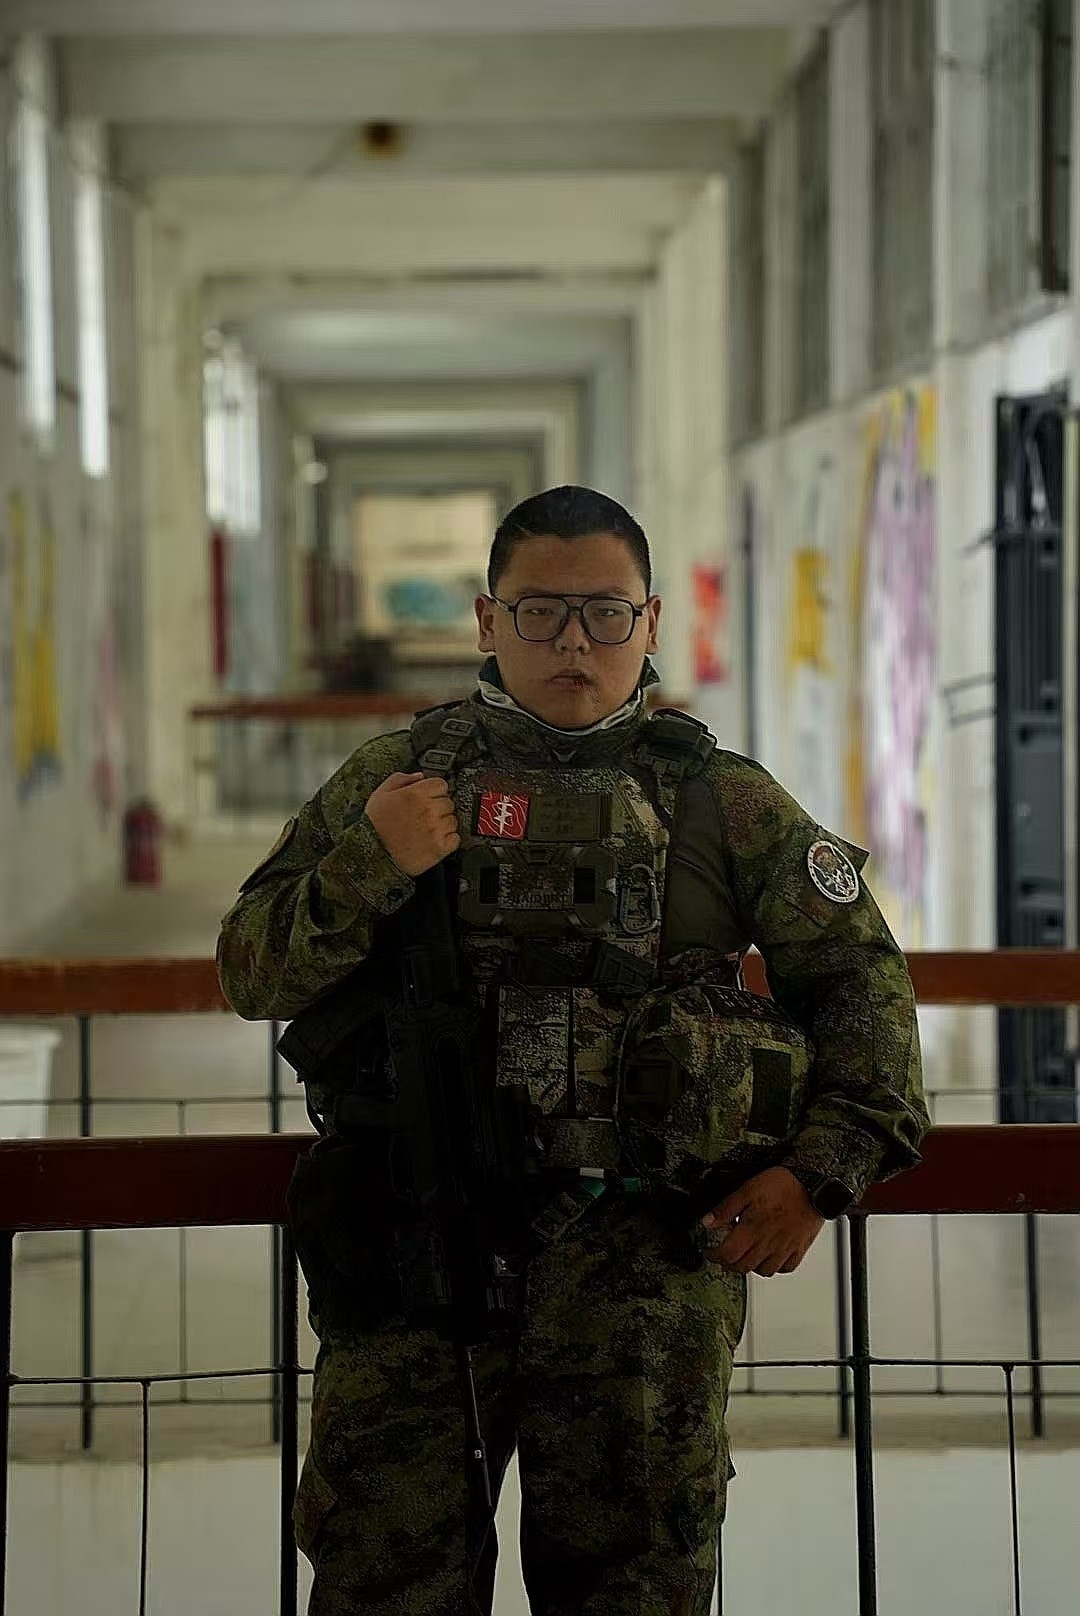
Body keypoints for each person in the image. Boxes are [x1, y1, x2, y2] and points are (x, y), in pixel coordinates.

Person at [217, 485, 929, 1616]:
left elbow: (863, 987)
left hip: (644, 1291)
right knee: (384, 1586)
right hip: (415, 1270)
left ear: (650, 622)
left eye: (604, 613)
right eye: (540, 612)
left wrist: (819, 1174)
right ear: (487, 621)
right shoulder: (396, 780)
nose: (573, 643)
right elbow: (250, 972)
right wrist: (369, 862)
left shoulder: (721, 800)